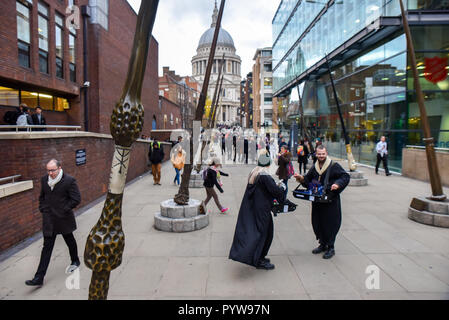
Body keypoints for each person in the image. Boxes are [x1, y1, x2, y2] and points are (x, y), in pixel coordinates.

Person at [25, 159, 81, 286]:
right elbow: (42, 197)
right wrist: (43, 209)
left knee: (69, 240)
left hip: (63, 218)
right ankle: (39, 277)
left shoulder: (69, 180)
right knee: (47, 248)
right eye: (48, 170)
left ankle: (75, 260)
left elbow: (76, 199)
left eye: (52, 170)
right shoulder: (44, 180)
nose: (50, 173)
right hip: (49, 220)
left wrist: (63, 209)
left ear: (59, 168)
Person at [229, 150, 286, 270]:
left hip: (254, 209)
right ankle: (259, 260)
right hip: (262, 211)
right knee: (264, 235)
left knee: (261, 233)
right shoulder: (264, 175)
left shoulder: (254, 172)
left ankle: (259, 257)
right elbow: (276, 192)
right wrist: (282, 186)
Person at [294, 145, 350, 259]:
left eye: (323, 154)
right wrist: (301, 178)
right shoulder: (315, 167)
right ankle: (322, 244)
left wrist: (337, 184)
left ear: (326, 153)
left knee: (330, 224)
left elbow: (345, 176)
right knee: (318, 222)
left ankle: (331, 247)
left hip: (330, 201)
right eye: (319, 154)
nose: (321, 156)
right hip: (318, 201)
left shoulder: (333, 166)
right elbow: (308, 180)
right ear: (316, 154)